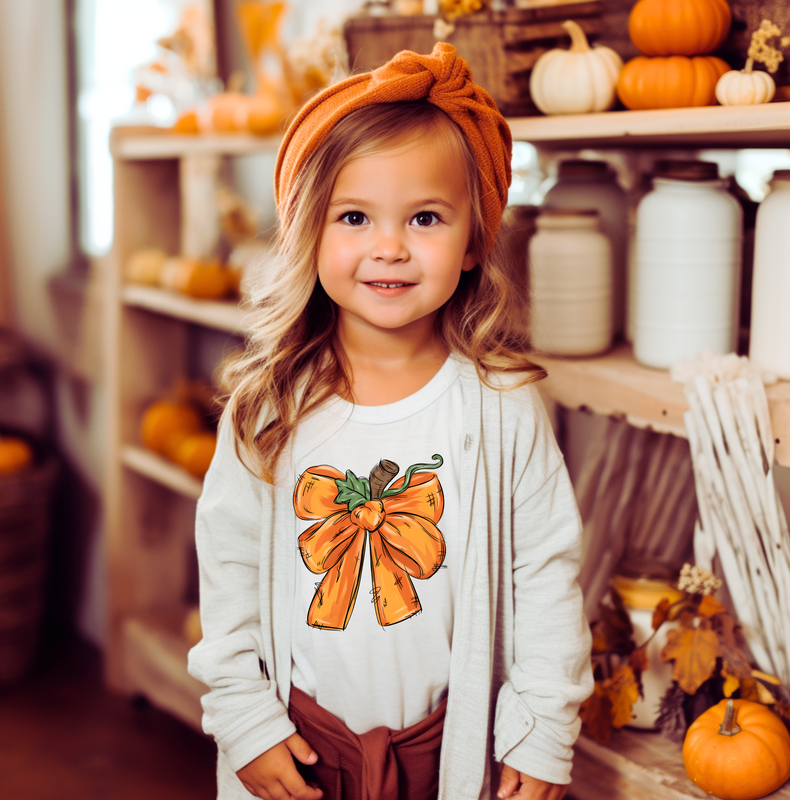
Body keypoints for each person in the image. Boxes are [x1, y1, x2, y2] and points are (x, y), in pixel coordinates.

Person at [188, 42, 593, 800]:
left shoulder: (504, 407)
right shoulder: (270, 408)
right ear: (310, 231)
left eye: (426, 218)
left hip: (450, 750)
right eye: (354, 216)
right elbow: (229, 570)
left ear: (474, 240)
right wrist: (245, 718)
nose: (389, 247)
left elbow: (545, 575)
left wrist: (541, 730)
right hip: (301, 747)